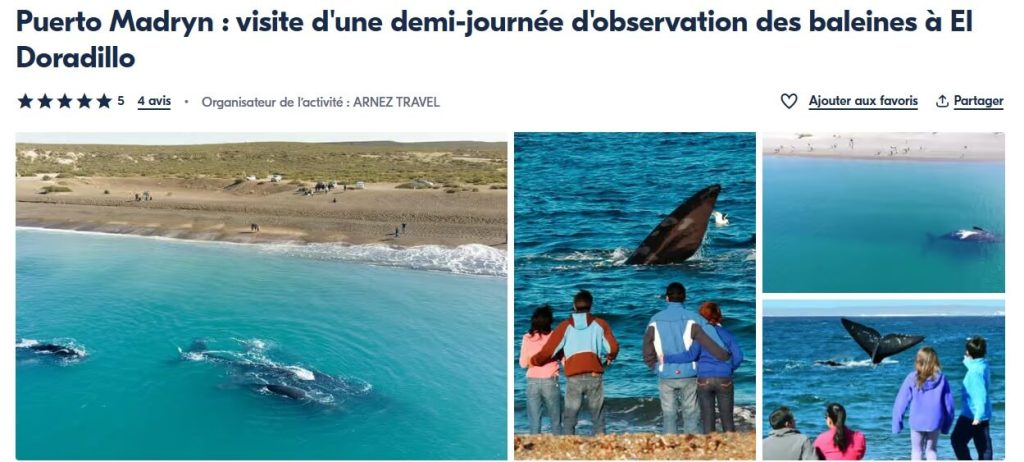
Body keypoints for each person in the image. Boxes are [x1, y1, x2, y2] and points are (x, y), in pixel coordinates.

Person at [642, 282, 730, 435]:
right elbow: (713, 342)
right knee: (691, 413)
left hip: (665, 373)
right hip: (689, 373)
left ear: (667, 298)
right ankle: (692, 447)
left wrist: (653, 366)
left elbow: (647, 346)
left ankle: (671, 449)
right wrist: (725, 357)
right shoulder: (694, 319)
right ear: (684, 298)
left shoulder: (655, 320)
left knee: (669, 414)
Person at [531, 289, 618, 435]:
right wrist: (610, 358)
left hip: (574, 377)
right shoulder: (600, 324)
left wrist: (535, 361)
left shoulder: (564, 326)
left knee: (570, 414)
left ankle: (568, 443)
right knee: (598, 413)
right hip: (594, 374)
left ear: (574, 306)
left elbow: (549, 351)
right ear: (591, 306)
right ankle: (601, 442)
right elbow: (613, 347)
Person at [661, 301, 743, 433]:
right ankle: (730, 449)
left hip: (704, 379)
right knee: (727, 420)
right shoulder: (727, 334)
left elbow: (690, 356)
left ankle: (710, 448)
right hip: (724, 378)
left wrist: (666, 358)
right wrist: (729, 368)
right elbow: (738, 357)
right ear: (718, 315)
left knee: (707, 420)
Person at [892, 347, 955, 460]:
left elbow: (900, 402)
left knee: (916, 450)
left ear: (918, 361)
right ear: (935, 361)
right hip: (935, 421)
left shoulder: (911, 378)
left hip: (917, 421)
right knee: (932, 450)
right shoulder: (942, 379)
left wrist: (897, 424)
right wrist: (947, 426)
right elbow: (949, 406)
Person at [518, 305, 562, 435]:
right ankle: (558, 447)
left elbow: (522, 364)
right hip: (550, 380)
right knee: (556, 420)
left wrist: (532, 361)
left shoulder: (527, 337)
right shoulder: (554, 336)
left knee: (534, 421)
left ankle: (534, 448)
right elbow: (563, 358)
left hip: (532, 381)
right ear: (550, 321)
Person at [951, 336, 993, 460]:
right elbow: (975, 364)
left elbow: (981, 395)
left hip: (973, 414)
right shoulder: (983, 365)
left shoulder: (975, 372)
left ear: (968, 352)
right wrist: (968, 361)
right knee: (983, 446)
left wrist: (978, 416)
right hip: (980, 414)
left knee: (957, 440)